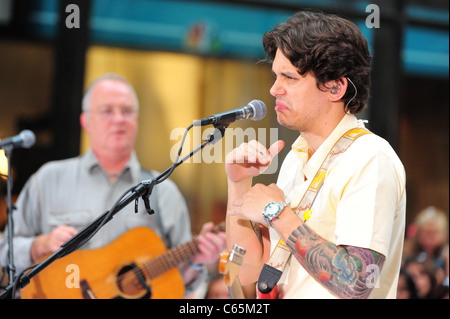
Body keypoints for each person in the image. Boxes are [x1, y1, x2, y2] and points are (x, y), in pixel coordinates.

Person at [225, 11, 406, 299]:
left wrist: (276, 213)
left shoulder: (370, 157)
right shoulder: (295, 161)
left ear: (335, 87)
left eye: (289, 77)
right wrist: (237, 183)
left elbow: (356, 282)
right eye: (275, 76)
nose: (274, 89)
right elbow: (248, 275)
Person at [0, 73, 226, 298]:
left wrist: (196, 261)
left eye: (127, 111)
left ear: (137, 120)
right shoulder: (48, 180)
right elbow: (4, 252)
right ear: (85, 121)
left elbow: (176, 286)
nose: (119, 119)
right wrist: (38, 245)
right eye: (107, 110)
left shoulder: (165, 192)